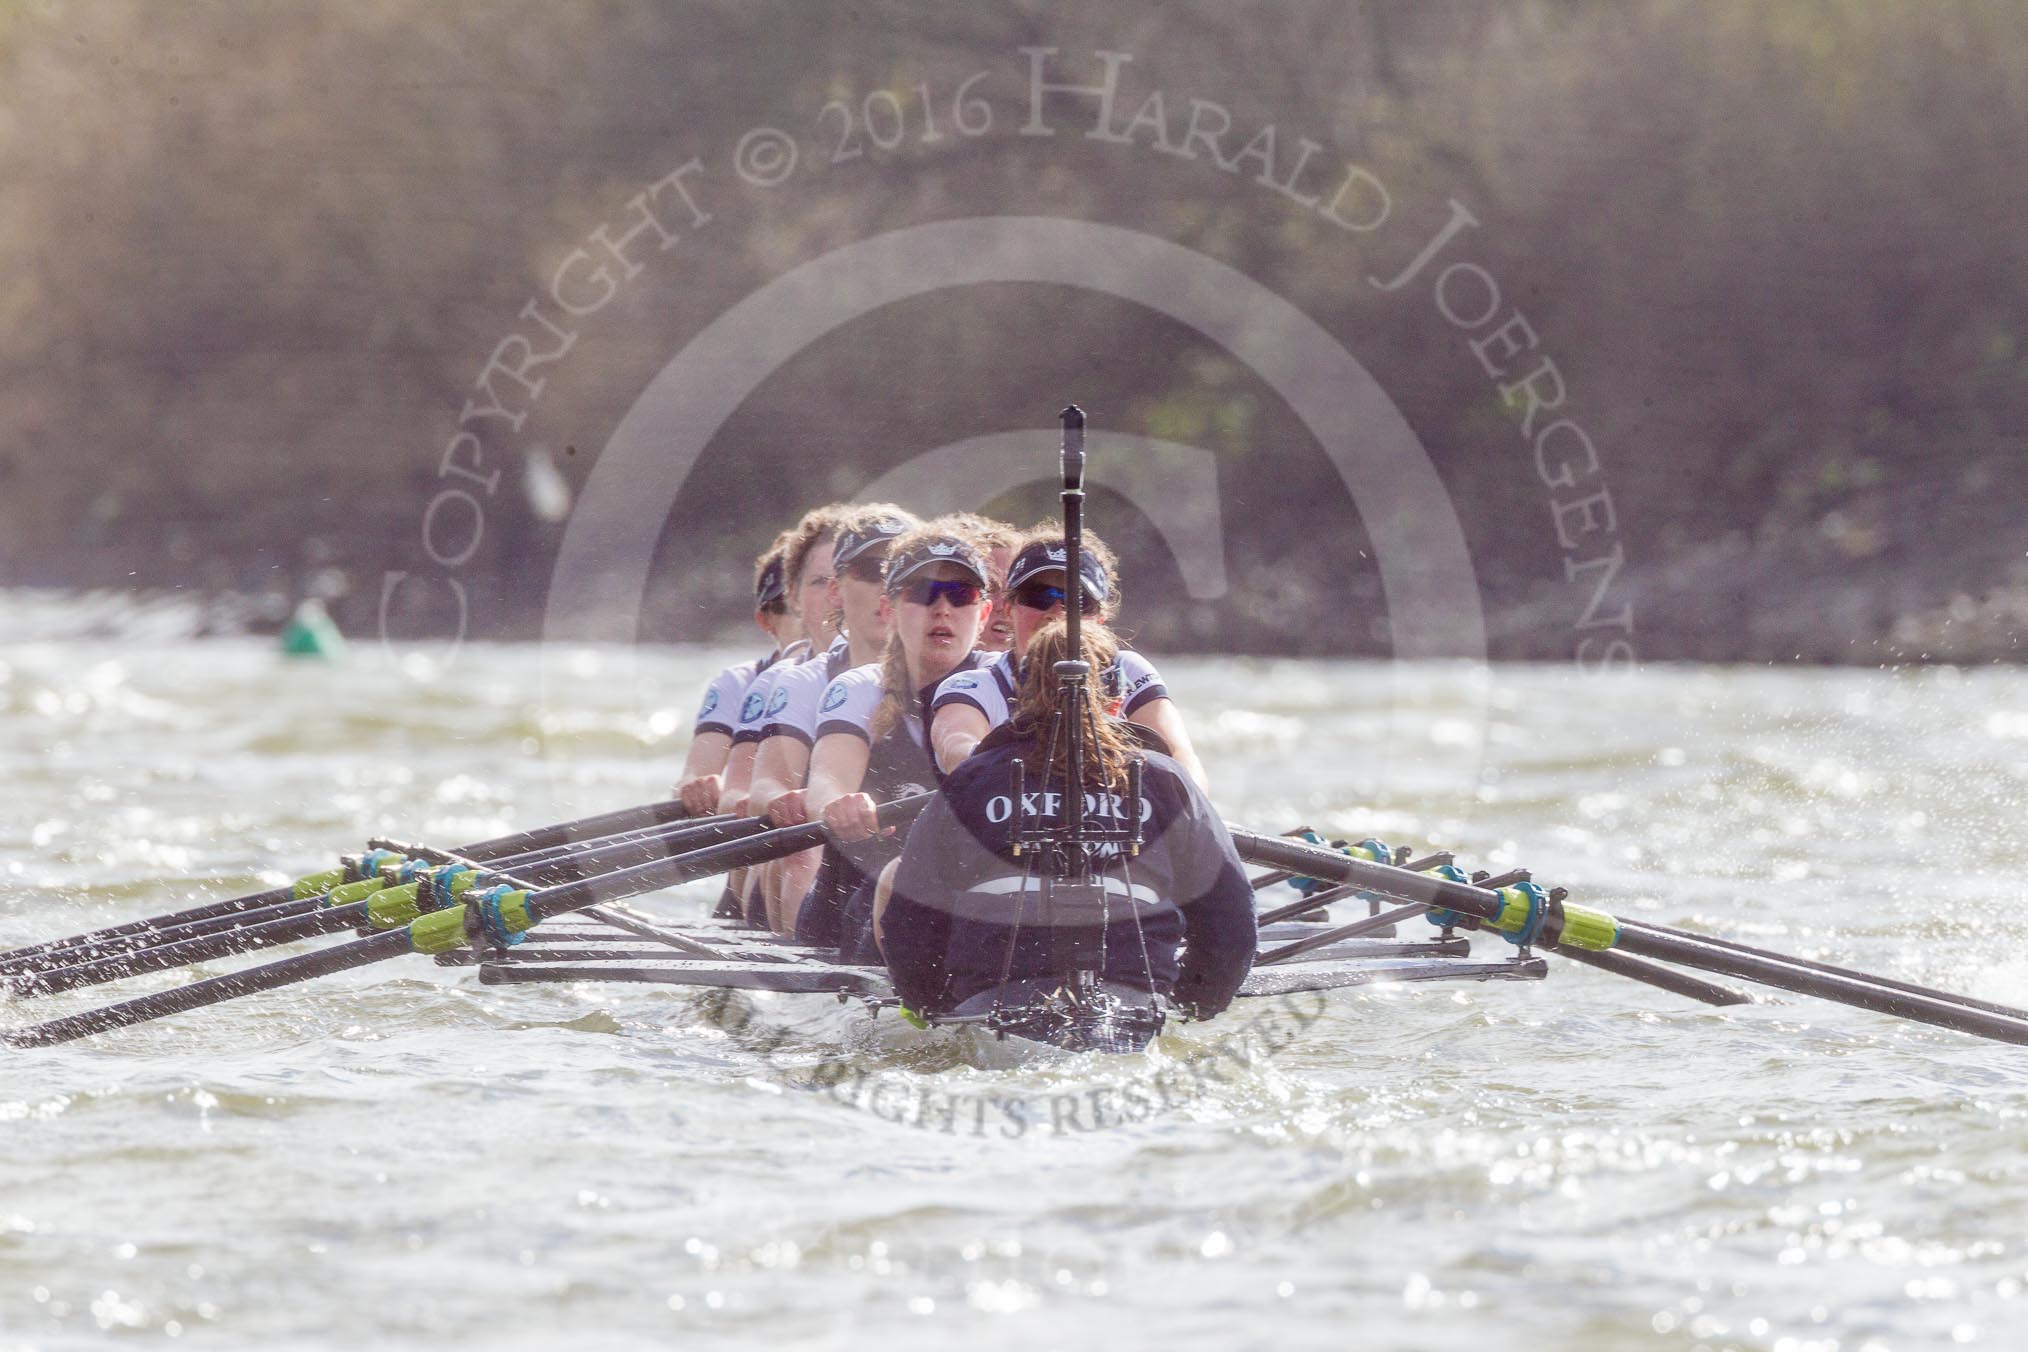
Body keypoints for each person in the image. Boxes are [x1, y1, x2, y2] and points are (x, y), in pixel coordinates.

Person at [879, 619, 1256, 1023]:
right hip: (1134, 1007)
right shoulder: (1166, 781)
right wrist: (1192, 1007)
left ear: (1022, 695)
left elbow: (909, 925)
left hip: (990, 1009)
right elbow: (1232, 925)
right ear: (1116, 699)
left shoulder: (970, 781)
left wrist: (936, 1011)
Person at [797, 522, 999, 949]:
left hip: (976, 897)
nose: (942, 609)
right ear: (889, 610)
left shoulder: (1010, 685)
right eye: (923, 593)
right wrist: (837, 805)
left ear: (982, 614)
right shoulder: (858, 689)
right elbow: (827, 780)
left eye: (961, 595)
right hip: (856, 901)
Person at [742, 503, 918, 928]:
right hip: (825, 857)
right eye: (874, 570)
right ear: (837, 591)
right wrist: (787, 802)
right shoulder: (804, 681)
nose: (887, 586)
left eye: (904, 572)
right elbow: (762, 787)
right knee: (796, 850)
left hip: (909, 858)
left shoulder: (968, 679)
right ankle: (802, 980)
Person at [927, 525, 1208, 789]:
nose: (1056, 612)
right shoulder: (972, 686)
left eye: (1076, 600)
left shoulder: (1128, 671)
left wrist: (1187, 797)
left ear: (1099, 617)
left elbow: (1182, 760)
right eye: (1038, 597)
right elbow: (958, 749)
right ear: (1010, 607)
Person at [671, 534, 806, 816]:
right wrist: (699, 787)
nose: (807, 614)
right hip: (762, 819)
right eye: (790, 606)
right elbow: (696, 773)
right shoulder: (736, 684)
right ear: (766, 620)